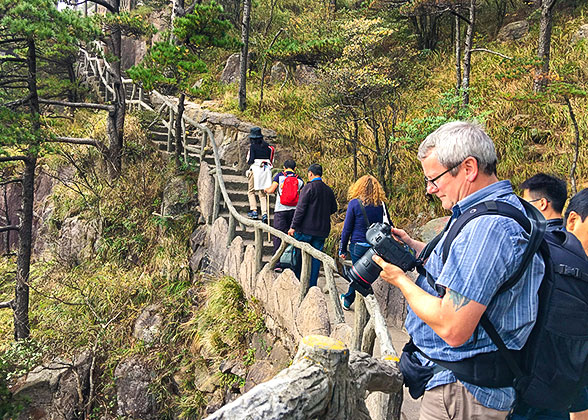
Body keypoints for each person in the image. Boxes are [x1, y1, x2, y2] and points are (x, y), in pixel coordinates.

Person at [373, 121, 544, 419]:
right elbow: (465, 272)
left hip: (464, 393)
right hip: (459, 386)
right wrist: (416, 247)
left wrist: (400, 280)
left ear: (468, 168)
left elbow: (453, 328)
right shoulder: (486, 210)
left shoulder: (489, 228)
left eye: (434, 178)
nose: (430, 189)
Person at [338, 175, 386, 310]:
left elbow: (347, 228)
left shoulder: (354, 203)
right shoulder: (380, 204)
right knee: (365, 276)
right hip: (375, 246)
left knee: (358, 276)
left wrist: (342, 249)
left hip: (358, 246)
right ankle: (358, 302)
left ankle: (349, 300)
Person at [288, 163, 337, 288]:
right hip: (321, 231)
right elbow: (334, 208)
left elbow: (300, 209)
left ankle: (299, 283)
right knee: (316, 259)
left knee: (300, 256)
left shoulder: (308, 188)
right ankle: (312, 286)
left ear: (310, 173)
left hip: (305, 230)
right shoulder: (328, 190)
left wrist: (293, 226)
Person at [265, 159, 304, 271]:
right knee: (292, 235)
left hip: (280, 210)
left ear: (284, 167)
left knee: (278, 235)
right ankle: (291, 262)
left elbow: (272, 190)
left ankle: (277, 263)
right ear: (295, 168)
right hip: (294, 211)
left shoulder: (279, 176)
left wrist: (266, 190)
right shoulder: (299, 179)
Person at [246, 126, 273, 223]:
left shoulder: (253, 146)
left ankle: (254, 211)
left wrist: (248, 160)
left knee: (251, 191)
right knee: (262, 193)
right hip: (265, 171)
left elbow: (251, 160)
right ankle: (264, 214)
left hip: (256, 170)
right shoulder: (267, 146)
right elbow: (270, 159)